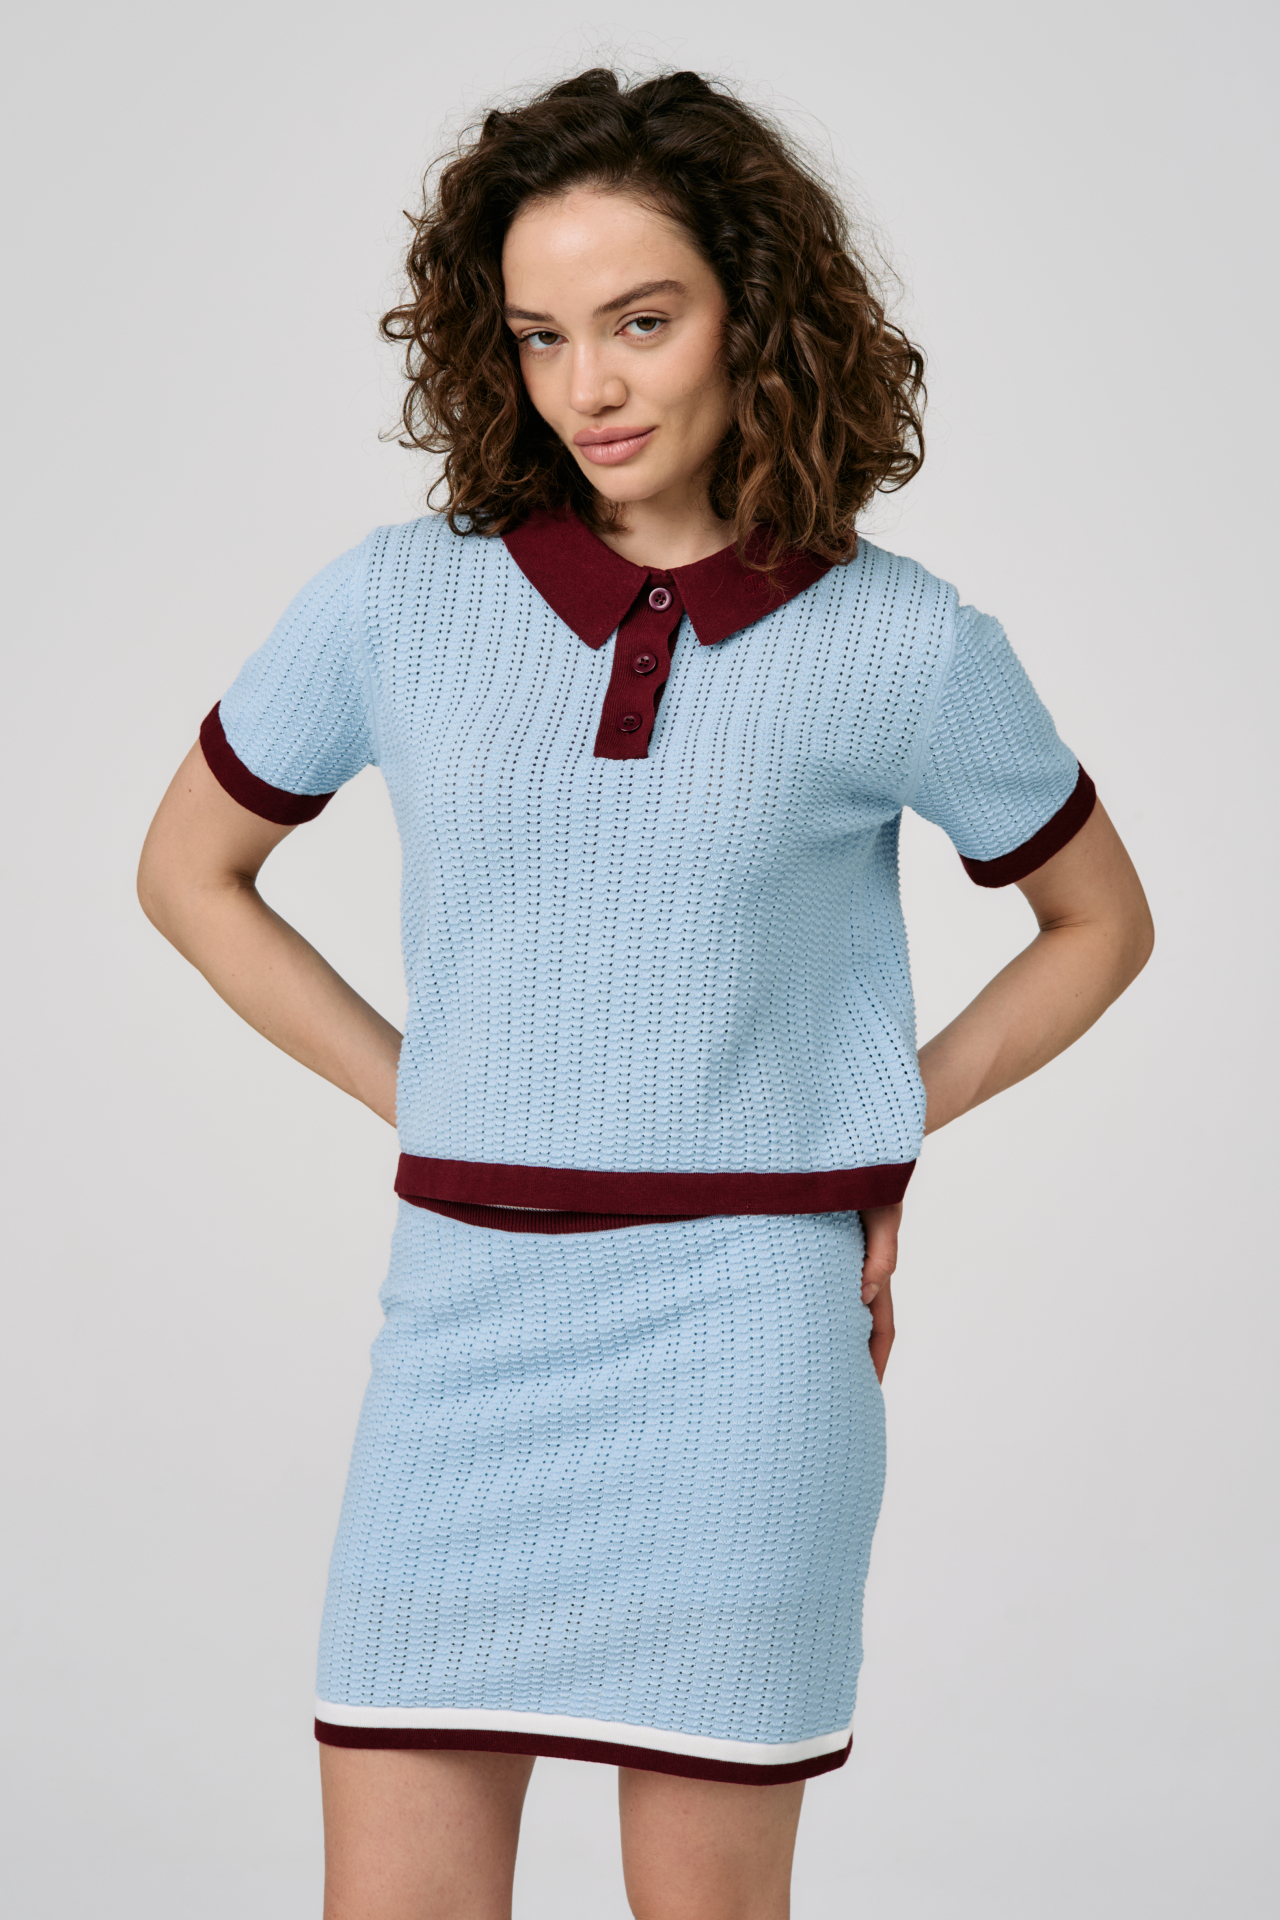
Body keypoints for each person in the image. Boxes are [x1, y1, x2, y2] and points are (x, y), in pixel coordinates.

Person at [137, 66, 1153, 1920]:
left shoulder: (903, 641)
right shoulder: (396, 602)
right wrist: (423, 1087)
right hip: (461, 1333)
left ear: (756, 315)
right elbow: (186, 871)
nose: (587, 386)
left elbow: (1101, 922)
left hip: (744, 1346)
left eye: (641, 321)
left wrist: (876, 1113)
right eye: (540, 336)